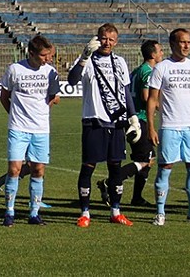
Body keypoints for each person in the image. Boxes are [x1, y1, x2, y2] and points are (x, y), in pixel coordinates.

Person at [68, 23, 141, 227]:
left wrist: (133, 117)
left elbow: (126, 92)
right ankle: (85, 213)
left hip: (117, 122)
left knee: (115, 168)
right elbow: (72, 80)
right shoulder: (88, 59)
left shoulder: (120, 62)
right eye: (103, 38)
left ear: (116, 41)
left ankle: (115, 211)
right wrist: (83, 56)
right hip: (94, 120)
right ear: (97, 38)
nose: (107, 42)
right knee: (88, 167)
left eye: (111, 39)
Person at [147, 28, 190, 225]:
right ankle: (160, 213)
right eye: (182, 42)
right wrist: (151, 127)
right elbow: (152, 99)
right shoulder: (162, 68)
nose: (186, 46)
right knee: (165, 168)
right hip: (170, 126)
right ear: (172, 44)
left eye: (189, 42)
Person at [0, 34, 61, 227]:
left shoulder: (50, 71)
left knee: (38, 169)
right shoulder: (15, 69)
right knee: (14, 169)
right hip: (18, 128)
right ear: (31, 53)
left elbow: (54, 97)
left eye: (48, 55)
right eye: (43, 55)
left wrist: (41, 111)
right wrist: (15, 115)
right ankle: (9, 212)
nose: (47, 58)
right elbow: (4, 96)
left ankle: (34, 213)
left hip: (41, 129)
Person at [111, 39, 164, 208]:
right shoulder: (148, 71)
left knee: (148, 158)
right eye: (160, 51)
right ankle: (111, 181)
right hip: (139, 119)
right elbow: (146, 97)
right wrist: (164, 107)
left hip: (132, 119)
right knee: (147, 159)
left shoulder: (136, 70)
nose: (162, 53)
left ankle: (137, 197)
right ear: (153, 54)